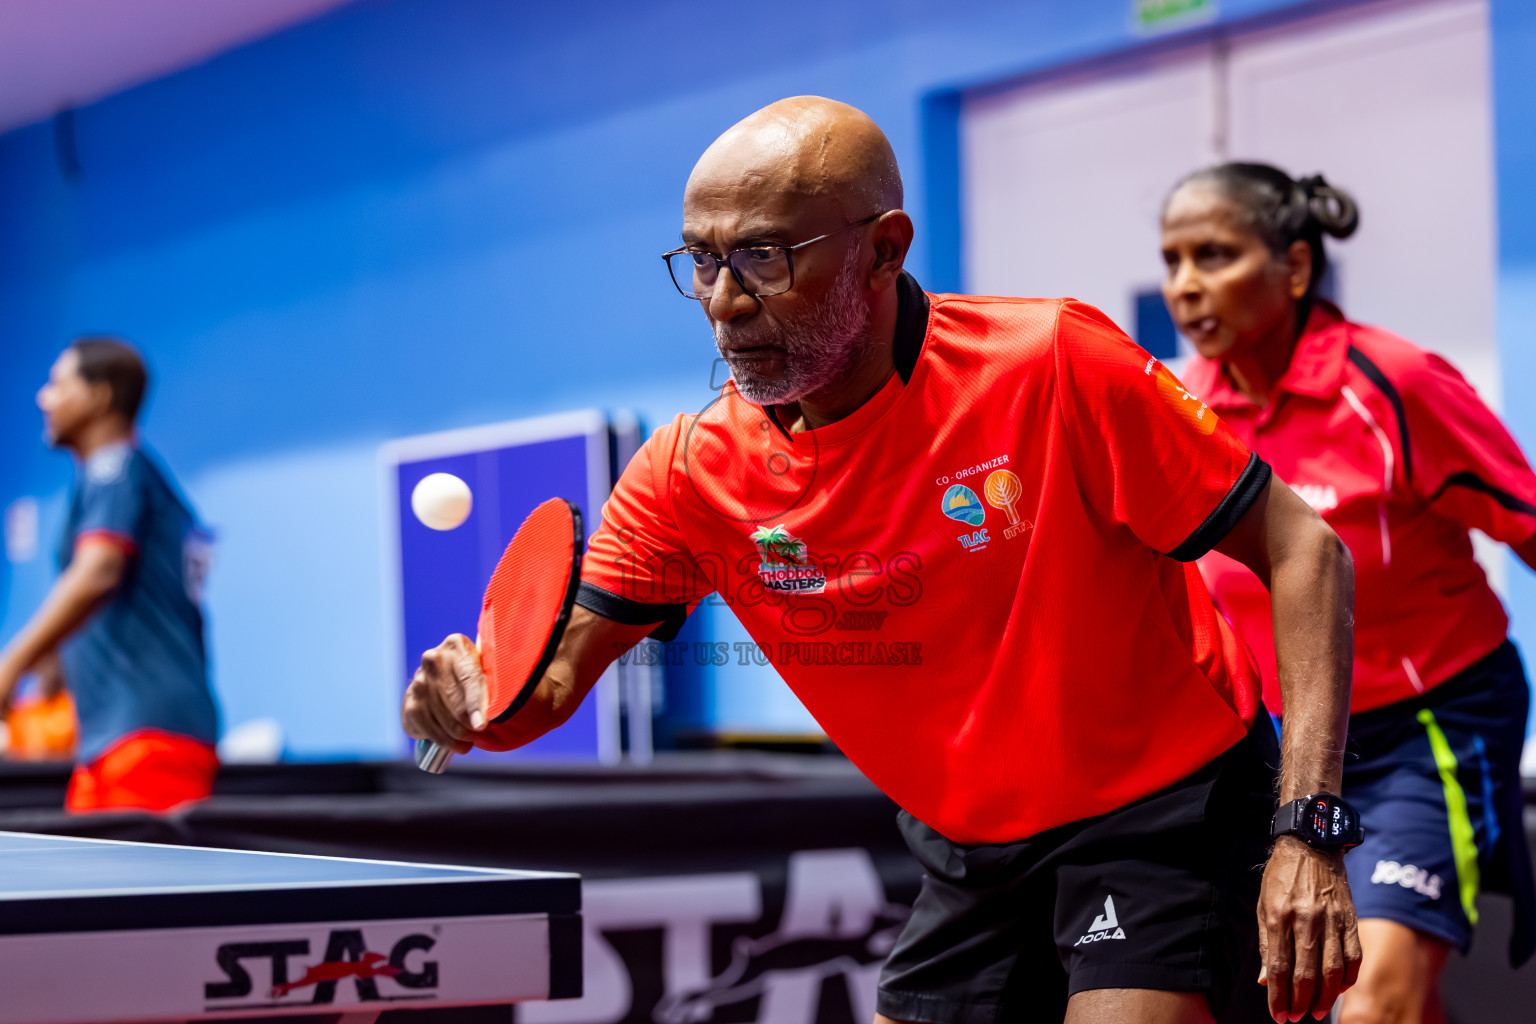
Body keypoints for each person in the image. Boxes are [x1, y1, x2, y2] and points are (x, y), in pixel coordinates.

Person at [406, 98, 1362, 1024]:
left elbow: (1304, 550)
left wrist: (1307, 828)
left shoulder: (1052, 362)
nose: (725, 303)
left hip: (1167, 817)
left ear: (885, 248)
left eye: (765, 258)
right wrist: (476, 707)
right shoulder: (688, 472)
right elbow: (559, 672)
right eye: (702, 262)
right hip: (969, 850)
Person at [1162, 163, 1536, 1024]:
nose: (1185, 286)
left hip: (1430, 723)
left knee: (1373, 1007)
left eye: (1213, 255)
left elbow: (1528, 523)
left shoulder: (1393, 381)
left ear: (1294, 267)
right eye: (1173, 260)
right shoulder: (1182, 408)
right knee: (1311, 998)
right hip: (1288, 750)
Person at [0, 337, 219, 812]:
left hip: (145, 738)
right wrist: (49, 676)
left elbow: (98, 572)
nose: (43, 397)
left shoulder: (114, 468)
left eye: (57, 384)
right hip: (111, 739)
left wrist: (9, 666)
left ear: (98, 396)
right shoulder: (120, 479)